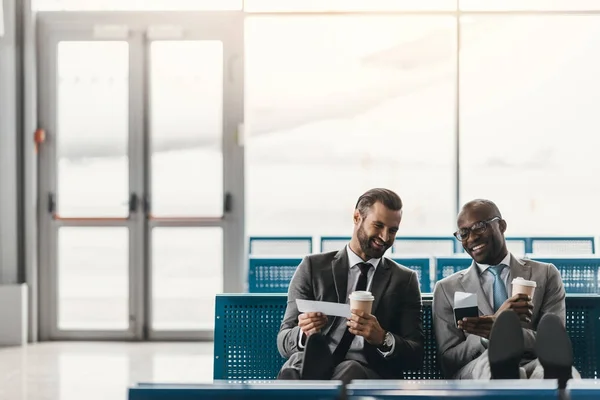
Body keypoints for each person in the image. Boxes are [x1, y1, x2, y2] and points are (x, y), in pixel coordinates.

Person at [276, 188, 424, 383]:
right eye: (378, 225)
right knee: (298, 367)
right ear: (357, 217)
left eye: (393, 230)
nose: (385, 237)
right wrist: (304, 333)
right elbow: (283, 341)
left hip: (365, 370)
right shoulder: (313, 268)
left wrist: (383, 338)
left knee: (350, 369)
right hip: (311, 362)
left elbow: (416, 354)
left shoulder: (404, 280)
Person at [432, 199, 576, 386]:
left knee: (550, 371)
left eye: (479, 227)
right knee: (490, 366)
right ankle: (506, 367)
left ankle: (551, 376)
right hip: (476, 365)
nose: (471, 238)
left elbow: (553, 343)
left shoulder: (545, 274)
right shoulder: (447, 288)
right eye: (464, 233)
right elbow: (449, 360)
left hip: (532, 361)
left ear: (501, 225)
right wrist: (487, 337)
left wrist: (504, 332)